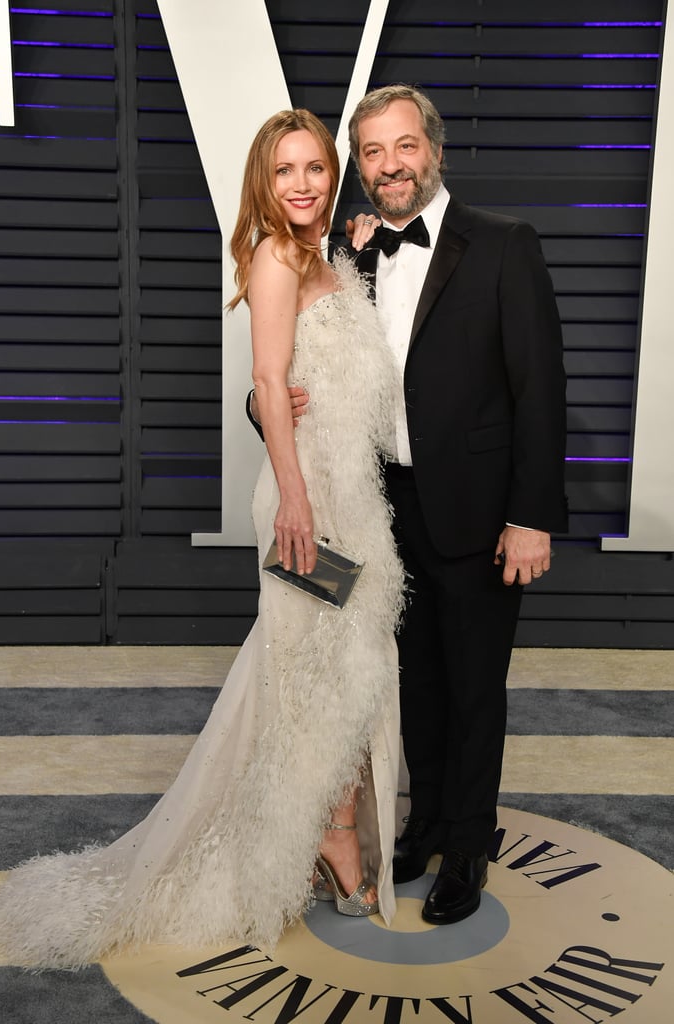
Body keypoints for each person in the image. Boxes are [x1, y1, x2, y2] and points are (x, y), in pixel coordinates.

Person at [0, 109, 404, 969]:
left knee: (346, 671)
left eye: (315, 168)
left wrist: (359, 249)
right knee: (310, 675)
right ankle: (332, 839)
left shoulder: (328, 259)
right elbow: (264, 378)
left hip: (354, 501)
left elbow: (332, 378)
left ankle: (327, 829)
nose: (301, 183)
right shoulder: (272, 257)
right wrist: (293, 497)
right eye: (285, 169)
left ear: (333, 177)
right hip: (306, 506)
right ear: (263, 179)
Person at [267, 85, 568, 926]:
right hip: (380, 508)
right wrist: (268, 409)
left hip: (479, 513)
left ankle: (467, 844)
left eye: (403, 147)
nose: (388, 166)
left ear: (431, 149)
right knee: (413, 684)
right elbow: (299, 371)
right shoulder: (346, 254)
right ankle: (426, 822)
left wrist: (530, 515)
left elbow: (538, 388)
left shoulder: (505, 246)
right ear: (356, 167)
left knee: (475, 688)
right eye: (370, 152)